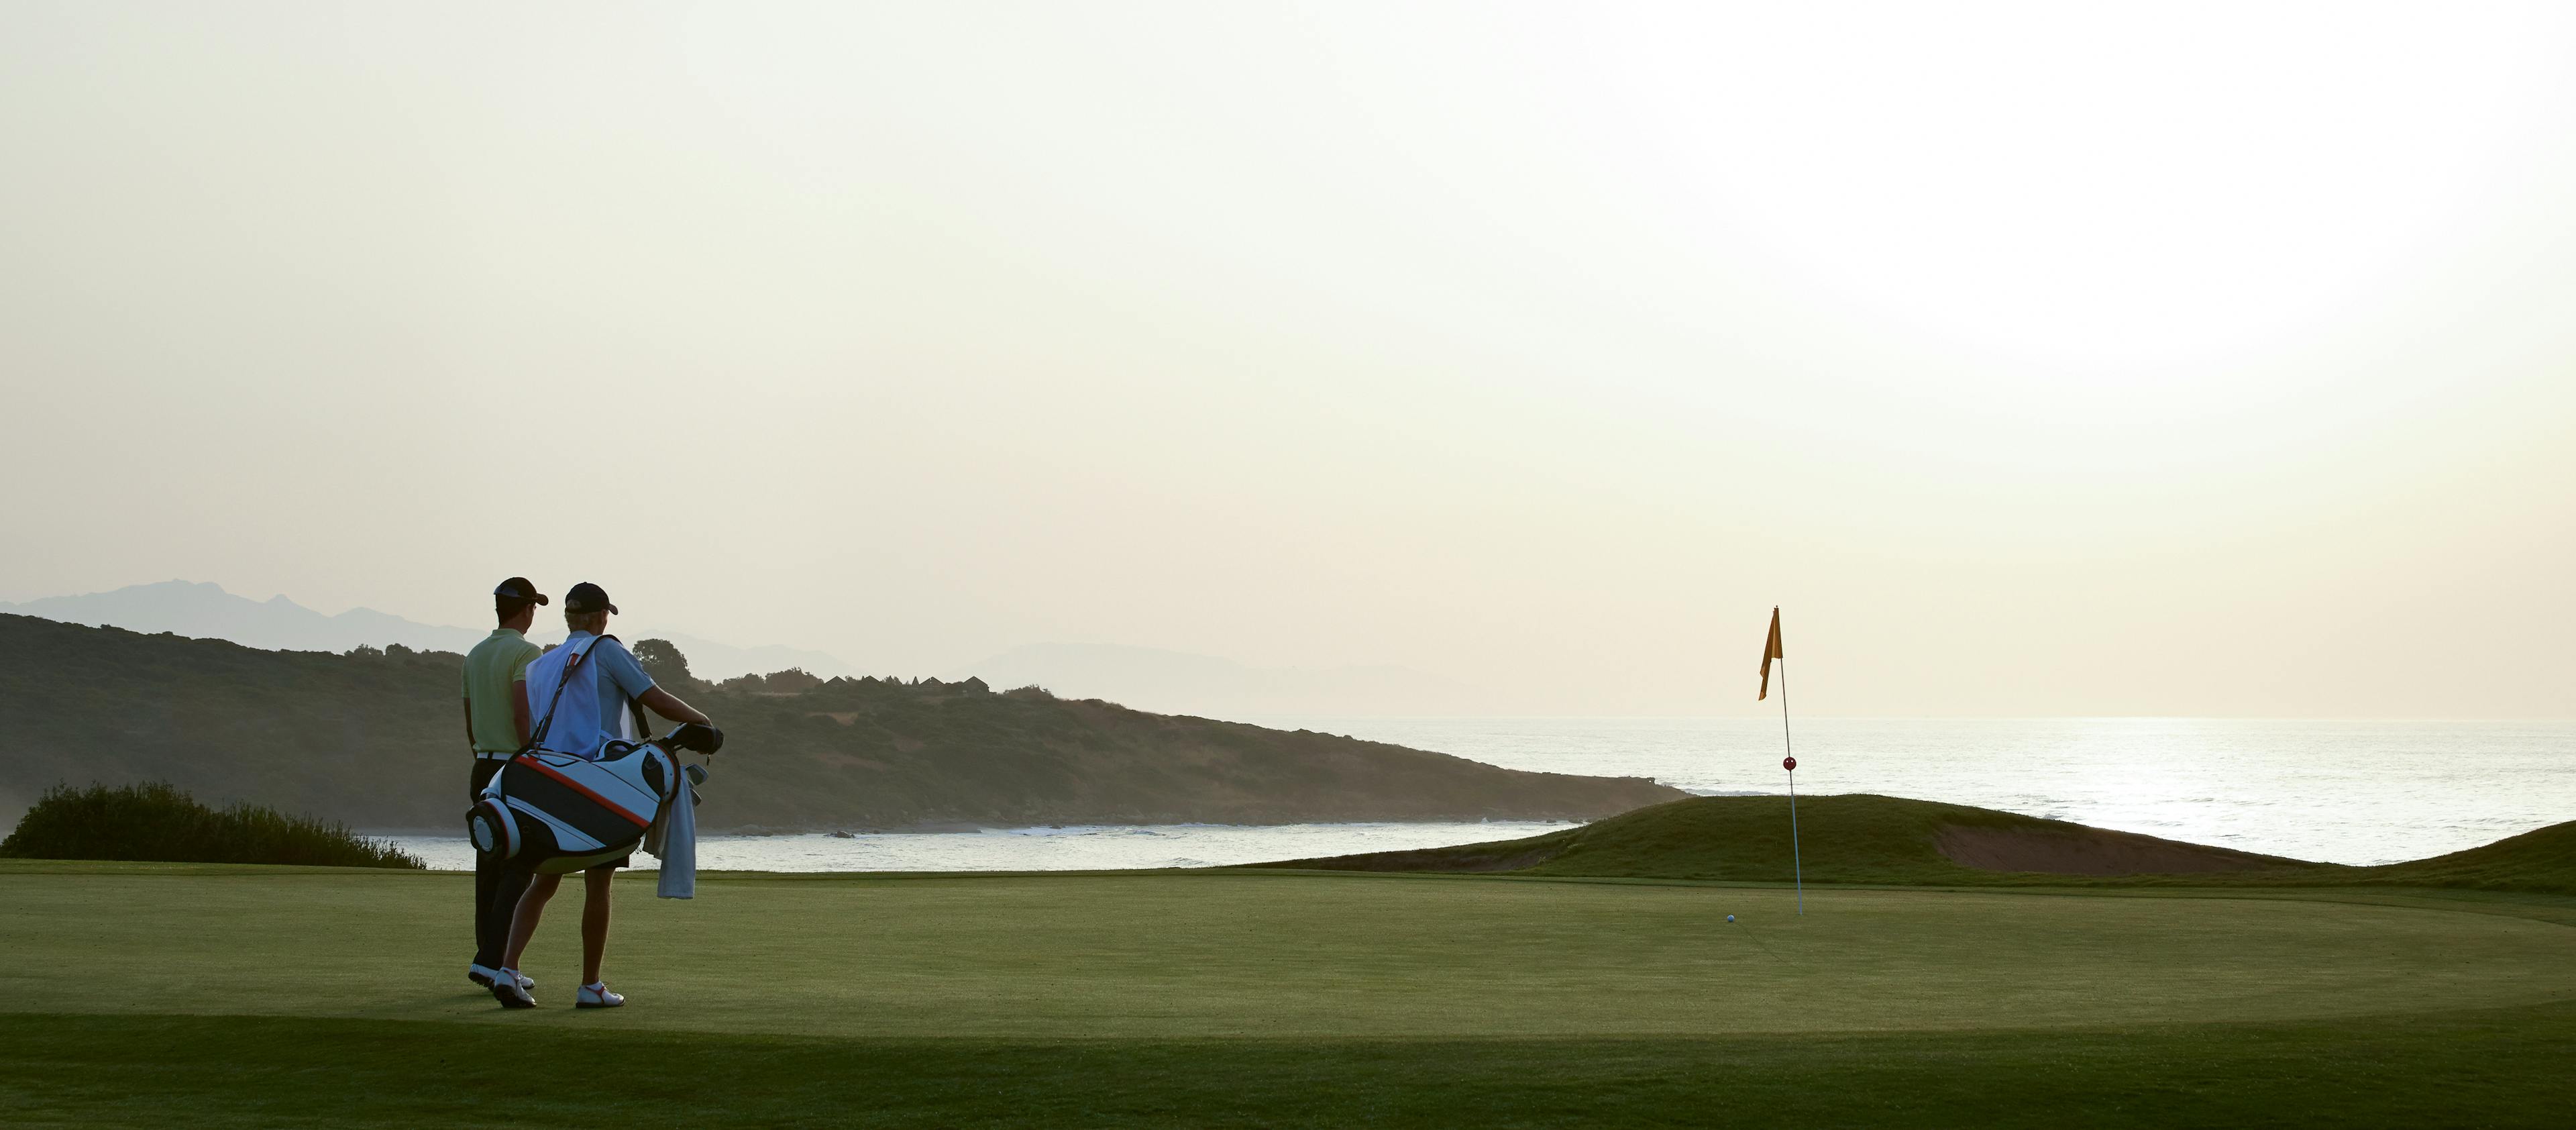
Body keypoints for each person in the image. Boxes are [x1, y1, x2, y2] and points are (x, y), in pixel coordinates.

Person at [490, 581, 712, 1009]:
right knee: (599, 883)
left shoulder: (542, 664)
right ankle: (590, 985)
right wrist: (704, 721)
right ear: (597, 618)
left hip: (549, 785)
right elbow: (655, 698)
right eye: (605, 615)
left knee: (544, 879)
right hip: (599, 784)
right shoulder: (606, 651)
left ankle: (508, 969)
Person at [462, 577, 546, 994]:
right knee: (519, 867)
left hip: (482, 766)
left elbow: (468, 718)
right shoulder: (528, 652)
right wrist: (532, 759)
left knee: (489, 866)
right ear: (527, 610)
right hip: (515, 771)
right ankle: (494, 962)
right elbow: (521, 713)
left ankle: (486, 959)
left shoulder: (476, 655)